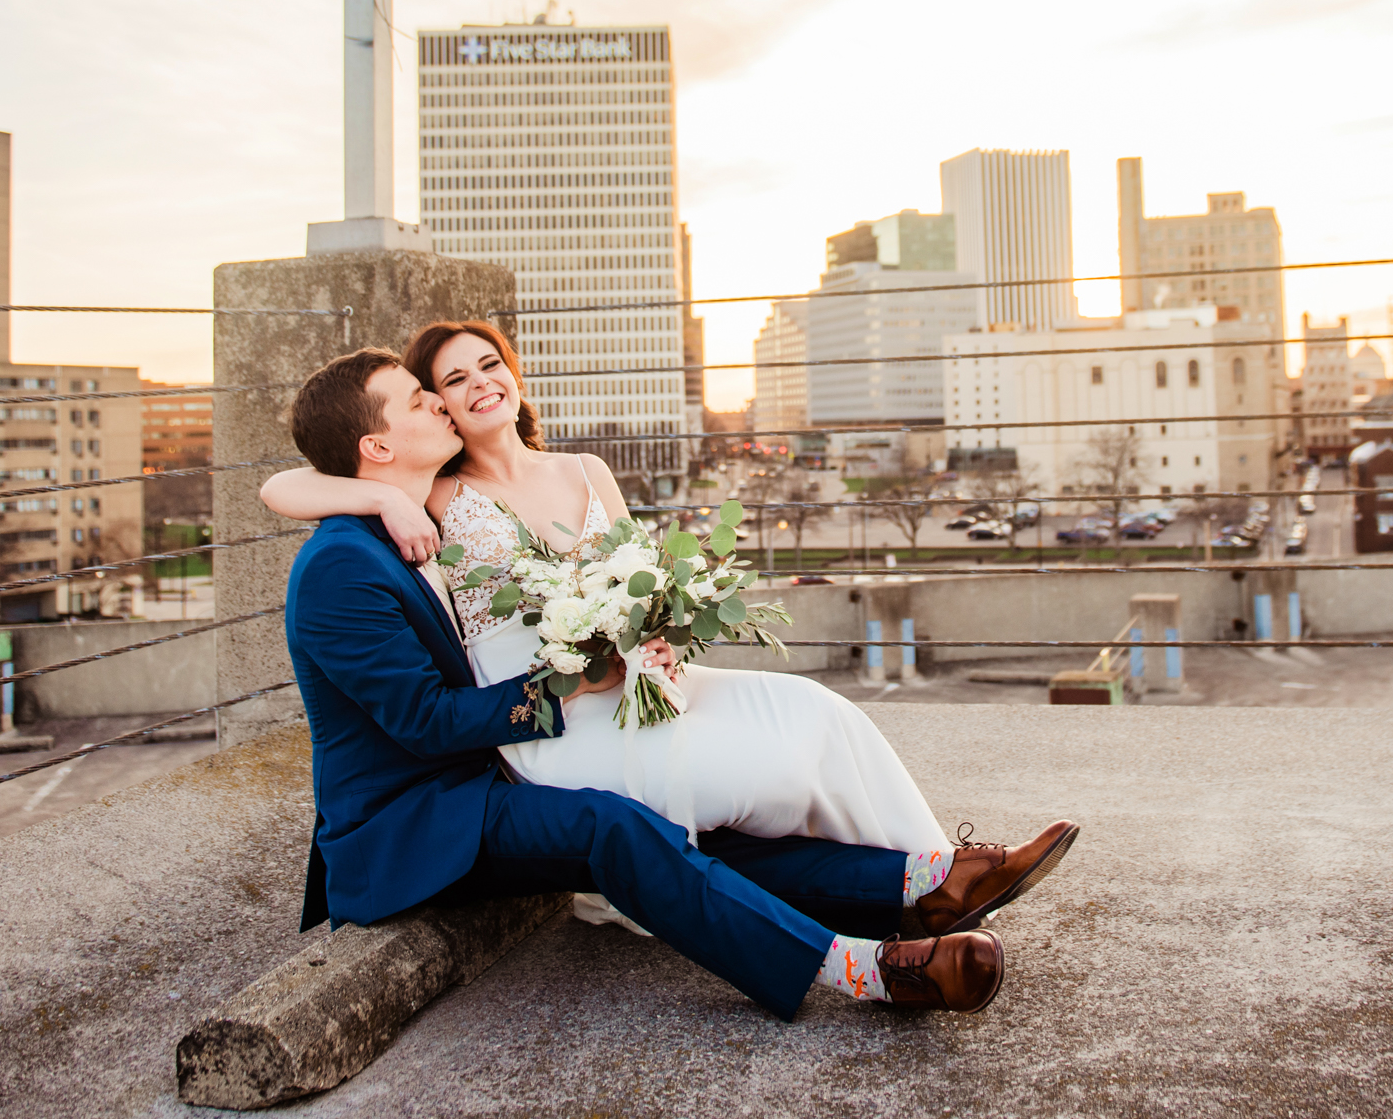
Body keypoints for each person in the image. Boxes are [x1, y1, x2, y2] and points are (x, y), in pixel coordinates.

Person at [280, 346, 1074, 1018]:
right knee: (616, 825)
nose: (441, 408)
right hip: (411, 824)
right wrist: (571, 684)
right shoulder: (341, 569)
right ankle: (866, 968)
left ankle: (923, 883)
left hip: (471, 778)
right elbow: (421, 722)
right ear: (378, 446)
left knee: (676, 833)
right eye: (422, 400)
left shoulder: (391, 522)